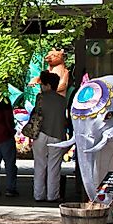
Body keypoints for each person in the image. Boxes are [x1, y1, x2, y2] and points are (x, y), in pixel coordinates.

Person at [30, 70, 69, 202]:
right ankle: (53, 195)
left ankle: (38, 195)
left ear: (47, 85)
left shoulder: (40, 98)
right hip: (57, 135)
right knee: (54, 167)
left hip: (40, 134)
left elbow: (36, 114)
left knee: (40, 165)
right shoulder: (63, 101)